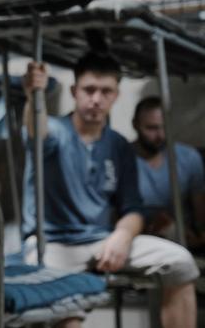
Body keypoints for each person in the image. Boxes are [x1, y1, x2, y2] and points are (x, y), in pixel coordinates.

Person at [21, 52, 199, 328]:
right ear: (74, 91)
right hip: (53, 244)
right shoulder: (57, 132)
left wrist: (123, 235)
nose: (96, 99)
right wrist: (35, 97)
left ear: (115, 95)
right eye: (89, 90)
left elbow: (132, 208)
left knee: (181, 263)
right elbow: (37, 131)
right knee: (65, 312)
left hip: (101, 241)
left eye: (106, 91)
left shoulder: (118, 146)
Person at [132, 96, 205, 251]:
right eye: (151, 128)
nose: (160, 136)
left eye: (164, 127)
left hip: (184, 243)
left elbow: (201, 213)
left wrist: (197, 237)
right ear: (135, 125)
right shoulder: (122, 158)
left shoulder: (188, 157)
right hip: (137, 241)